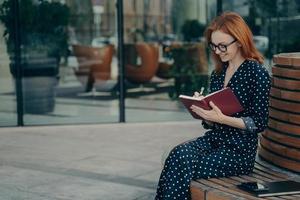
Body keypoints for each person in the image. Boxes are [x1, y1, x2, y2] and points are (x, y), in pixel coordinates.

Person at [155, 11, 271, 200]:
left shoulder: (256, 73)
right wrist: (204, 112)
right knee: (177, 154)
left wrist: (222, 118)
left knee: (182, 163)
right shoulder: (218, 74)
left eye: (223, 46)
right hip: (214, 140)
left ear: (240, 41)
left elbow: (259, 122)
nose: (217, 51)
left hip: (238, 152)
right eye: (214, 46)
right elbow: (211, 124)